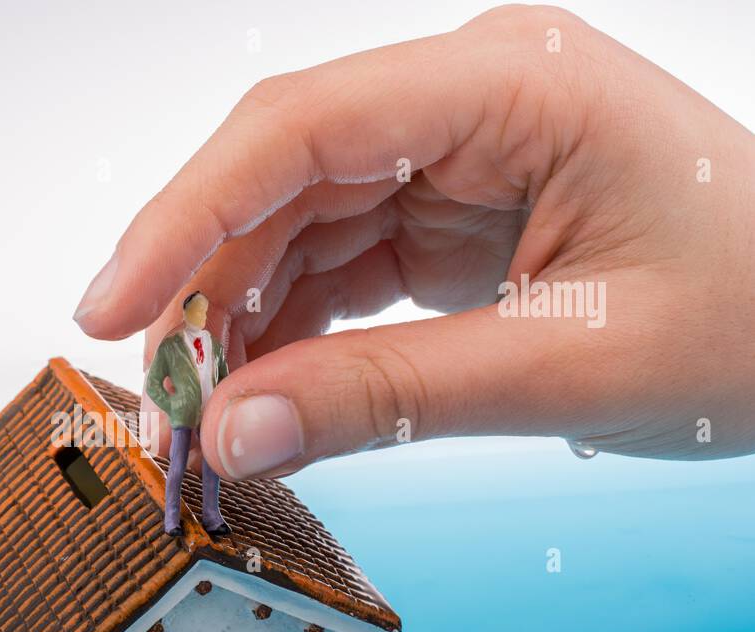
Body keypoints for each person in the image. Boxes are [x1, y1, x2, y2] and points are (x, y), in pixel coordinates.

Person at [72, 5, 755, 480]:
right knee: (183, 476)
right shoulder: (177, 351)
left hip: (197, 431)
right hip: (191, 427)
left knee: (201, 480)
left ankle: (196, 508)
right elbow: (167, 376)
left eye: (194, 311)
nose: (194, 314)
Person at [145, 291, 230, 536]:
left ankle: (211, 517)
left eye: (204, 310)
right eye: (196, 310)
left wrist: (224, 404)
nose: (201, 315)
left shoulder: (214, 345)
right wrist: (172, 405)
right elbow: (153, 383)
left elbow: (224, 378)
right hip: (182, 412)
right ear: (185, 313)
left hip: (210, 413)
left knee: (212, 464)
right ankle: (171, 519)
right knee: (178, 465)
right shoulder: (170, 346)